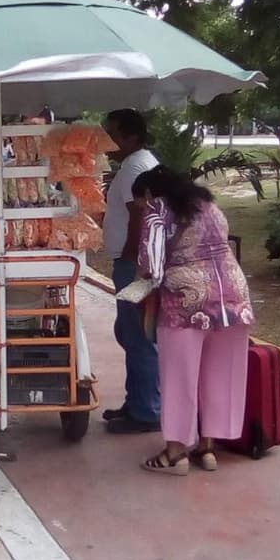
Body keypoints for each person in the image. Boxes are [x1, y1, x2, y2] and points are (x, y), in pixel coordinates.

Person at [130, 165, 254, 475]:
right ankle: (208, 447)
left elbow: (151, 265)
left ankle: (175, 454)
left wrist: (137, 287)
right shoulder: (209, 205)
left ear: (148, 193)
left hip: (186, 302)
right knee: (219, 373)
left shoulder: (158, 209)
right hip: (233, 298)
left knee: (179, 377)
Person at [101, 108, 161, 433]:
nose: (107, 140)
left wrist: (129, 258)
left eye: (112, 134)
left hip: (134, 266)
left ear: (131, 136)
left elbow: (139, 216)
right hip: (135, 263)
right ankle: (136, 401)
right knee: (130, 332)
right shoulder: (135, 164)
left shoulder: (136, 166)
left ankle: (147, 411)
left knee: (138, 336)